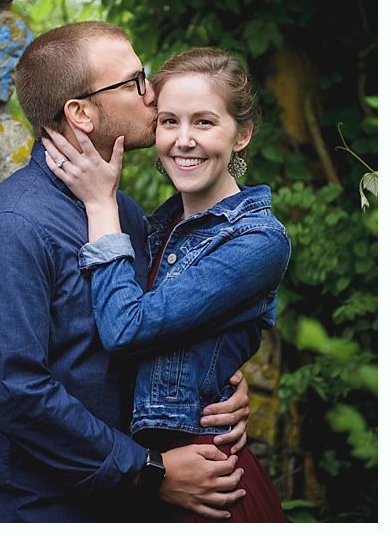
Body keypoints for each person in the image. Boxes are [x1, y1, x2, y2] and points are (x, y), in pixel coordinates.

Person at [0, 21, 253, 522]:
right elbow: (18, 393)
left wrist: (219, 380)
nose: (152, 93)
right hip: (41, 510)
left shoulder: (127, 214)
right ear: (81, 113)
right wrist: (148, 470)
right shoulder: (10, 226)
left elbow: (151, 335)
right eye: (135, 81)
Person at [42, 47, 288, 522]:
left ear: (243, 135)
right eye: (169, 121)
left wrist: (99, 205)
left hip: (206, 482)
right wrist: (221, 383)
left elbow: (127, 330)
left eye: (205, 122)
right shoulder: (155, 227)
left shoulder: (258, 240)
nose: (184, 140)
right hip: (151, 475)